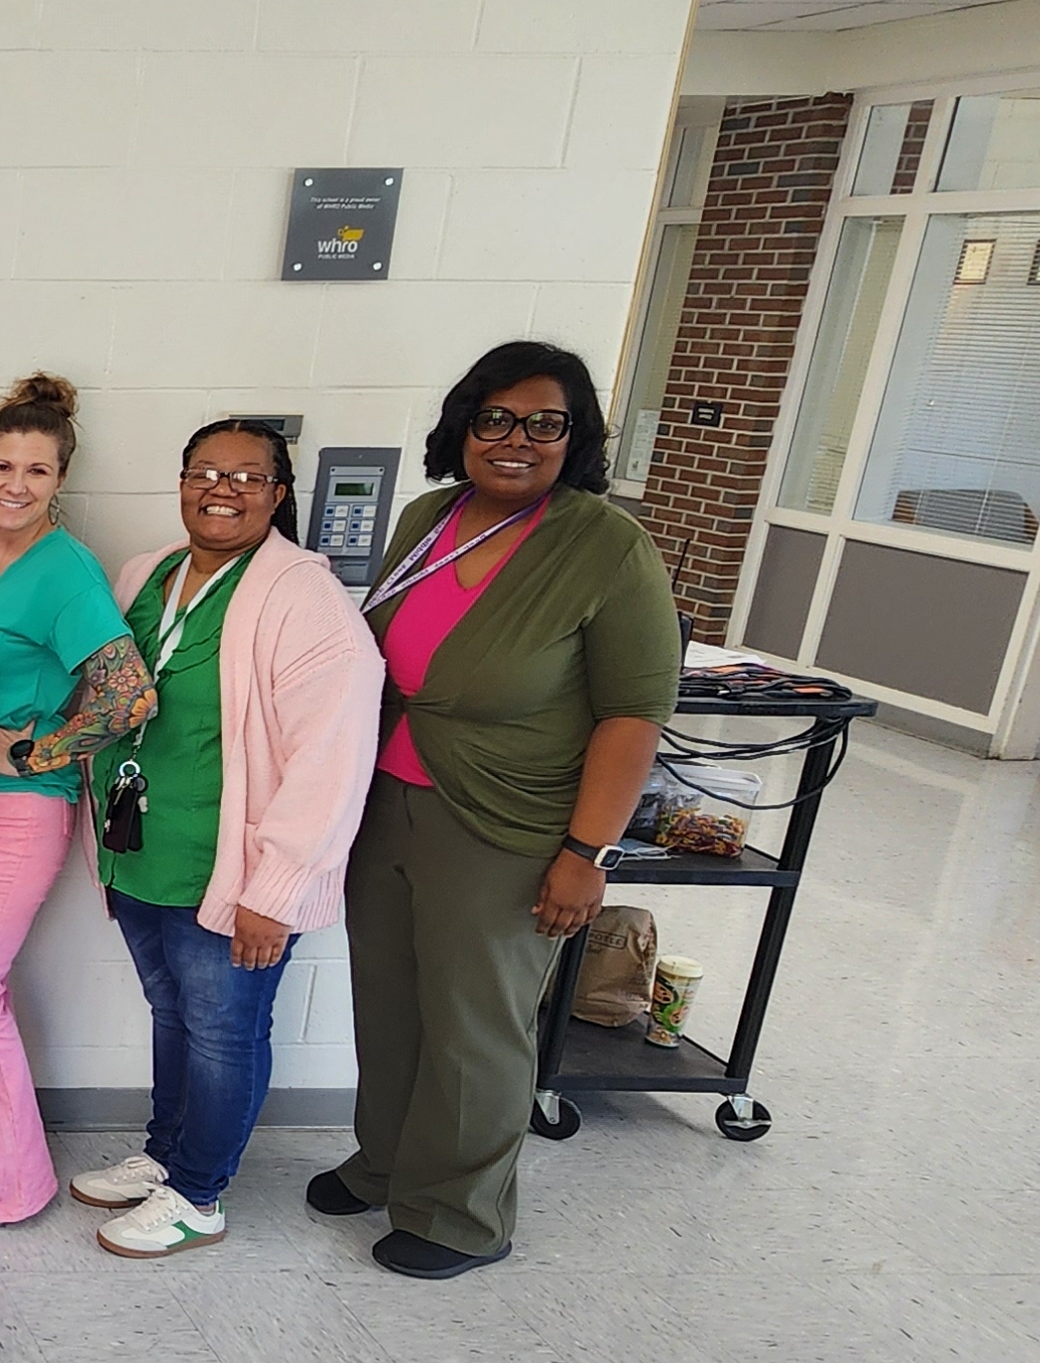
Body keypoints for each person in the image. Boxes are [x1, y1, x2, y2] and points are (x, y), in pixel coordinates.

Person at [315, 341, 677, 1279]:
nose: (517, 440)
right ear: (464, 426)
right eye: (496, 419)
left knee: (477, 1022)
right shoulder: (430, 517)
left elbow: (634, 712)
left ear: (576, 438)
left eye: (545, 424)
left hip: (505, 825)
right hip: (387, 802)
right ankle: (388, 1160)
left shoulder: (604, 544)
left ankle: (461, 1214)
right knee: (391, 1004)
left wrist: (586, 852)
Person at [66, 420, 381, 1259]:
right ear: (180, 482)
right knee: (172, 1014)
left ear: (279, 494)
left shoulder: (304, 600)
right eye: (205, 470)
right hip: (142, 853)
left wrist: (274, 893)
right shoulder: (150, 572)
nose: (223, 487)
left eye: (248, 476)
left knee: (223, 1033)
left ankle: (199, 1192)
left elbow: (331, 759)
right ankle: (165, 1157)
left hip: (233, 873)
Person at [0, 373, 157, 1232]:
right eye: (3, 464)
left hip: (18, 809)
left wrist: (33, 750)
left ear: (60, 481)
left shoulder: (66, 571)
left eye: (38, 471)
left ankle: (8, 1184)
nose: (17, 483)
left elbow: (130, 697)